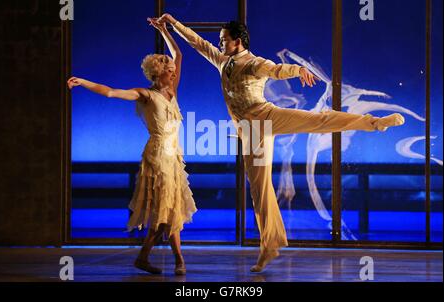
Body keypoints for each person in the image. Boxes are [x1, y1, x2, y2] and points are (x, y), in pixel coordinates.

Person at [155, 14, 405, 272]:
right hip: (251, 131)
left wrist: (298, 70)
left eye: (224, 40)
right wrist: (172, 23)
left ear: (238, 41)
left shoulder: (253, 63)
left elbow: (275, 69)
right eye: (219, 40)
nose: (219, 44)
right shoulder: (221, 61)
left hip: (268, 116)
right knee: (260, 190)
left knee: (319, 120)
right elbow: (197, 42)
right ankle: (269, 246)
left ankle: (374, 122)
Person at [67, 18, 197, 275]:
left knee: (171, 210)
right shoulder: (146, 94)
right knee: (164, 210)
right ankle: (171, 259)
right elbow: (111, 93)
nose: (173, 71)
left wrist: (163, 30)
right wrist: (83, 81)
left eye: (172, 69)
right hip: (158, 157)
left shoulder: (173, 92)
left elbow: (179, 54)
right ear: (157, 73)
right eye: (168, 69)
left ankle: (161, 259)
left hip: (174, 158)